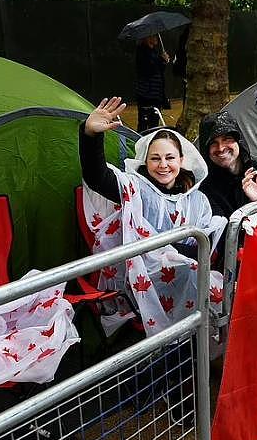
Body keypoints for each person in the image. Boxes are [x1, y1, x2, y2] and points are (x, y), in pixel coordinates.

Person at [79, 97, 225, 337]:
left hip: (184, 283)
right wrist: (90, 135)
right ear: (145, 162)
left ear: (181, 161)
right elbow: (97, 177)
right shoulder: (136, 188)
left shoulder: (196, 198)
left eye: (169, 158)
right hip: (141, 282)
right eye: (155, 158)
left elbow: (204, 242)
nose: (163, 165)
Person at [198, 111, 257, 219]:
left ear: (239, 141)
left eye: (227, 139)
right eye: (213, 143)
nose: (221, 148)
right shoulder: (204, 188)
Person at [135, 35, 171, 132]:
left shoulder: (154, 51)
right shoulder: (142, 52)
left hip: (156, 93)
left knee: (154, 121)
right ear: (147, 38)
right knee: (144, 122)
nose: (156, 38)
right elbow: (149, 70)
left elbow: (159, 70)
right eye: (153, 36)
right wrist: (162, 60)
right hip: (146, 94)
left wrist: (164, 62)